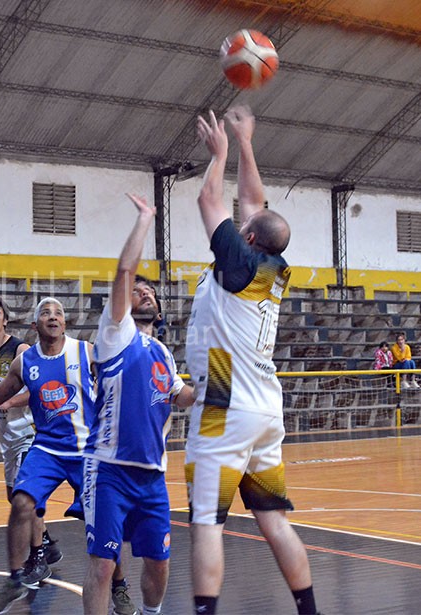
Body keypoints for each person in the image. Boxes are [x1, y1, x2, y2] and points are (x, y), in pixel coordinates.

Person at [185, 105, 319, 615]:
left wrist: (219, 154)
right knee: (273, 519)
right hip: (266, 406)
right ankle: (309, 610)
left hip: (224, 402)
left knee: (207, 521)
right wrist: (245, 142)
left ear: (246, 238)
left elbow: (209, 197)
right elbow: (254, 204)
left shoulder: (237, 262)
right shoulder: (272, 266)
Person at [0, 298, 138, 614]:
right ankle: (14, 579)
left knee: (104, 526)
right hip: (47, 448)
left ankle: (119, 587)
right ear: (34, 325)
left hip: (88, 452)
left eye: (59, 313)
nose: (53, 316)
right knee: (21, 501)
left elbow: (117, 382)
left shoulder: (85, 351)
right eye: (45, 313)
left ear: (65, 323)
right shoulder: (25, 363)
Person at [83, 194, 196, 615]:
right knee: (103, 564)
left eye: (151, 291)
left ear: (160, 310)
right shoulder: (116, 334)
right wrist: (147, 218)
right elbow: (124, 271)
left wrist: (211, 387)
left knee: (160, 562)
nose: (143, 292)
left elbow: (180, 395)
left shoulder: (163, 353)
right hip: (109, 468)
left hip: (152, 476)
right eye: (138, 290)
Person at [0, 295, 62, 565]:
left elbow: (35, 390)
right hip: (4, 436)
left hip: (28, 432)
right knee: (14, 497)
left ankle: (37, 557)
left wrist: (7, 400)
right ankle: (47, 542)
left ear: (5, 320)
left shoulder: (20, 350)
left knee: (26, 494)